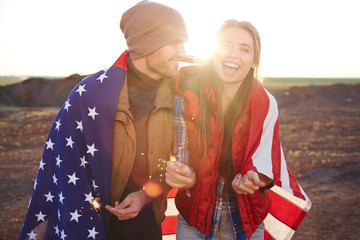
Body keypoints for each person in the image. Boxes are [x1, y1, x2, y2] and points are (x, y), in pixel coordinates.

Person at [19, 1, 187, 240]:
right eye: (175, 42)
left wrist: (144, 195)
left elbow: (172, 163)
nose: (182, 51)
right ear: (148, 44)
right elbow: (64, 171)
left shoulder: (179, 98)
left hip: (148, 228)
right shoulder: (88, 95)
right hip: (91, 228)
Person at [165, 20, 311, 240]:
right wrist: (184, 174)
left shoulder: (266, 104)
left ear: (254, 60)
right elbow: (183, 158)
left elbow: (266, 162)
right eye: (225, 45)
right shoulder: (186, 98)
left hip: (244, 220)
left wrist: (253, 178)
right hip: (195, 220)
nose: (233, 54)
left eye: (244, 49)